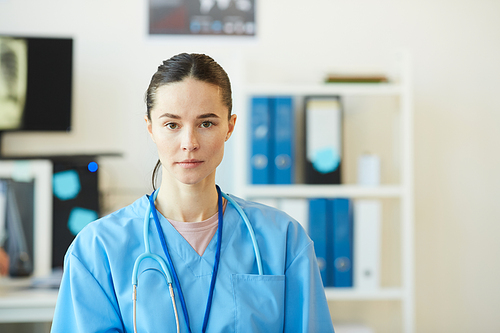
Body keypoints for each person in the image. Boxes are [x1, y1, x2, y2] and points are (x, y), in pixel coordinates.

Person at [50, 53, 334, 332]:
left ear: (229, 127)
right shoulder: (97, 249)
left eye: (206, 123)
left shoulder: (283, 240)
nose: (189, 142)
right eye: (171, 124)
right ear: (150, 129)